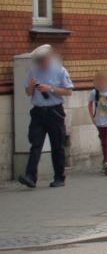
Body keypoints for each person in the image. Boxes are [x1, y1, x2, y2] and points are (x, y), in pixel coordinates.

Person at [18, 45, 74, 188]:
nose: (41, 63)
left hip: (54, 111)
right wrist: (31, 86)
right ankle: (30, 177)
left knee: (57, 146)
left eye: (43, 60)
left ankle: (59, 177)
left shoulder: (60, 70)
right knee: (35, 144)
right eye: (39, 61)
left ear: (49, 57)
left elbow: (68, 91)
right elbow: (28, 93)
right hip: (38, 112)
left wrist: (50, 88)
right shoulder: (34, 71)